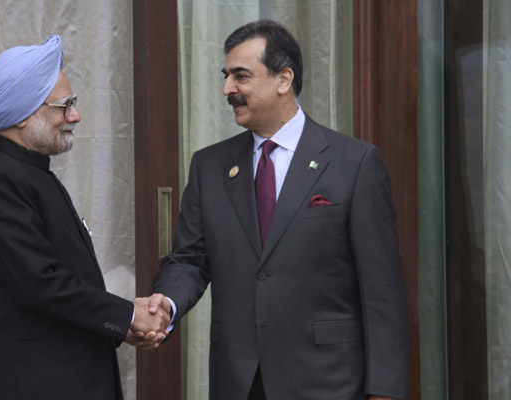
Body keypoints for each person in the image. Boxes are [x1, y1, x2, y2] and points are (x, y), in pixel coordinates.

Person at [150, 20, 409, 399]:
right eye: (226, 77)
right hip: (239, 382)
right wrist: (166, 304)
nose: (228, 89)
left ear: (283, 79)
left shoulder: (355, 163)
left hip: (329, 382)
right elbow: (189, 259)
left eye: (241, 76)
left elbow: (382, 290)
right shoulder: (209, 167)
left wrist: (385, 390)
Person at [0, 35, 168, 400]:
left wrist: (122, 320)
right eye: (64, 105)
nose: (75, 115)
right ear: (23, 114)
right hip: (29, 384)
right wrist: (127, 316)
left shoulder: (30, 174)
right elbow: (41, 283)